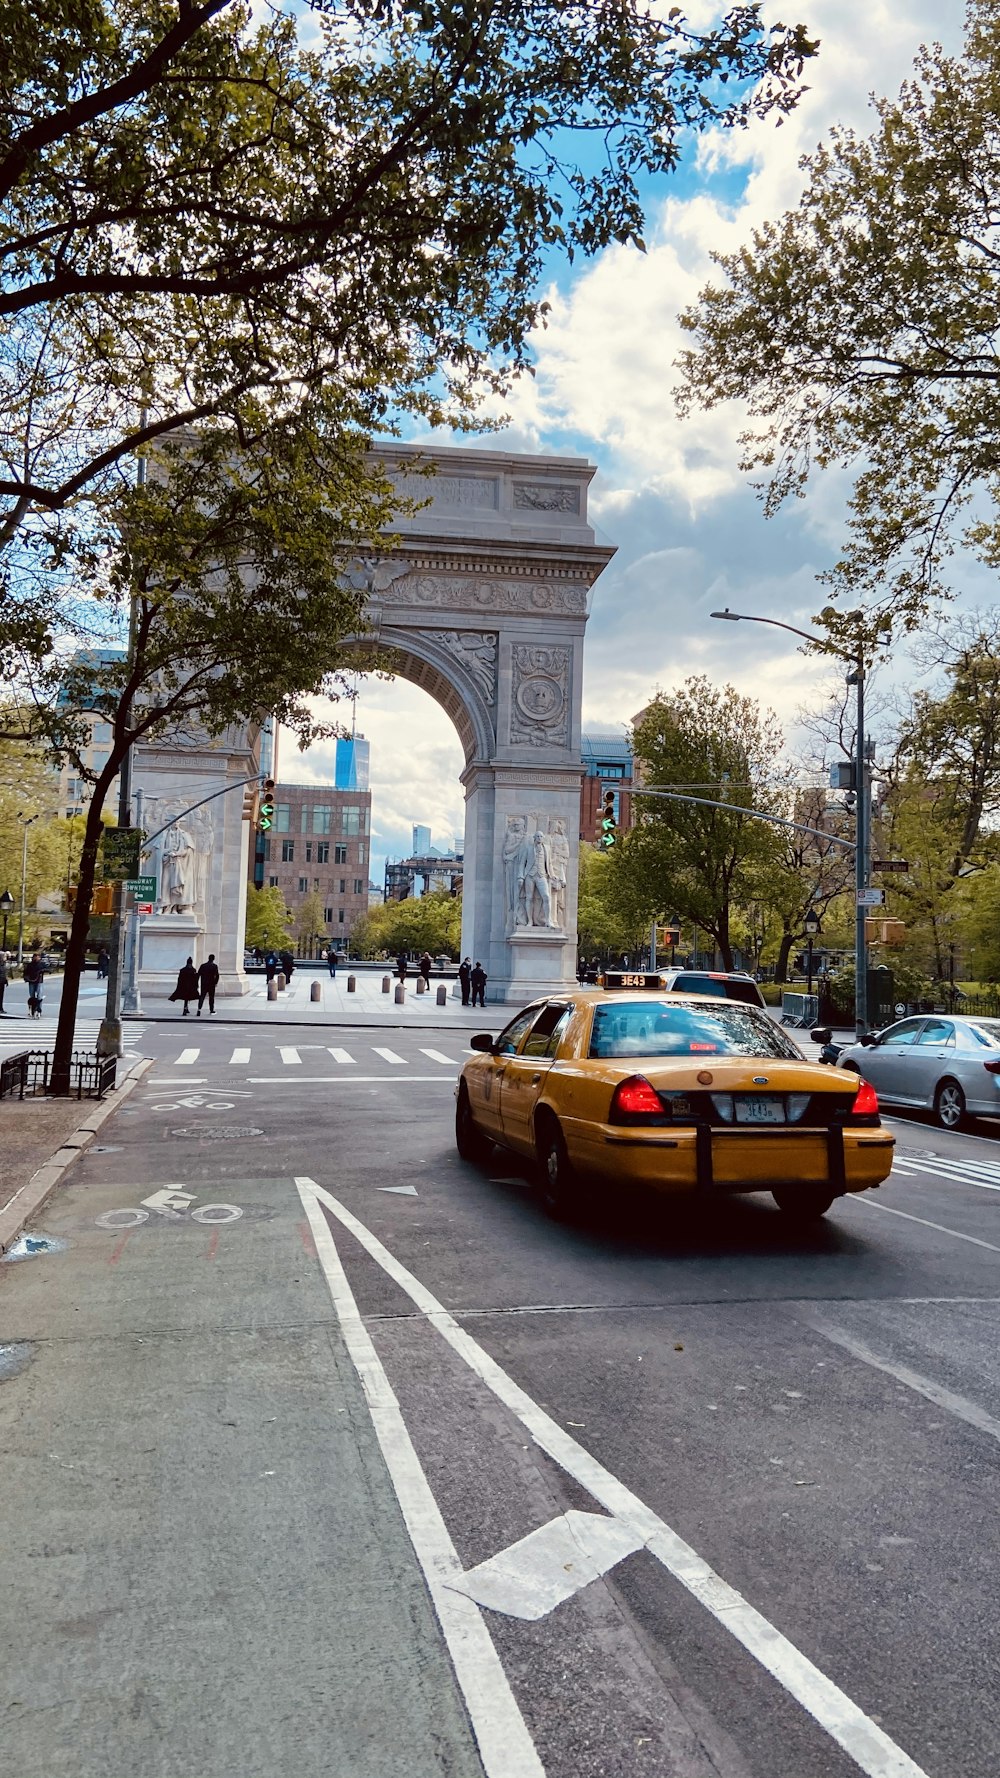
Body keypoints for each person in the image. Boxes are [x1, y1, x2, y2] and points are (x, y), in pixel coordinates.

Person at [23, 951, 45, 1018]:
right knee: (32, 996)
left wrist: (43, 971)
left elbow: (47, 969)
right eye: (35, 957)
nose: (36, 958)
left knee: (39, 996)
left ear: (39, 958)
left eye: (37, 957)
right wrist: (26, 978)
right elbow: (26, 972)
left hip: (39, 981)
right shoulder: (30, 965)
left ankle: (39, 1010)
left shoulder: (42, 964)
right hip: (31, 981)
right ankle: (32, 1010)